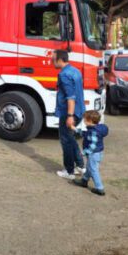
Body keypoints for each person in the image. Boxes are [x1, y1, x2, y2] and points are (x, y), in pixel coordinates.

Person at [53, 49, 86, 180]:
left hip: (69, 112)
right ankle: (80, 165)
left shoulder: (64, 75)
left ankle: (69, 170)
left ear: (60, 60)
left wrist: (69, 116)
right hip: (79, 110)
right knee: (71, 138)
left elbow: (70, 97)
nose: (51, 62)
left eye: (53, 59)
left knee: (66, 141)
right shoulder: (75, 70)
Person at [72, 110, 109, 196]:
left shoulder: (93, 132)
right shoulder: (94, 129)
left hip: (93, 154)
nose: (84, 122)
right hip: (98, 153)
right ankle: (84, 180)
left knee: (93, 170)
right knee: (89, 167)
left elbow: (93, 146)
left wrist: (84, 152)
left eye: (85, 120)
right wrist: (75, 129)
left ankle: (100, 188)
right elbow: (85, 134)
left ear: (90, 121)